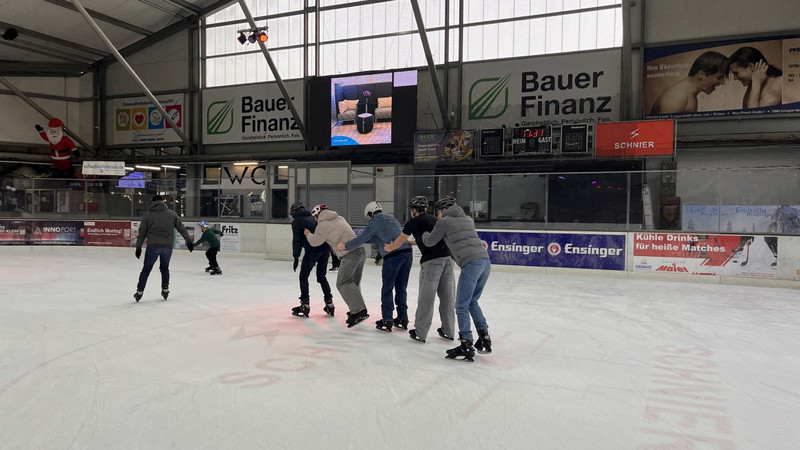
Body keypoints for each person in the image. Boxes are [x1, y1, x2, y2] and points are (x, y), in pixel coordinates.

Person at [422, 197, 492, 362]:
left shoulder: (444, 221)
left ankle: (466, 343)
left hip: (471, 264)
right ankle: (484, 338)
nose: (438, 216)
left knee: (460, 305)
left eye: (438, 213)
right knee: (472, 301)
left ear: (444, 210)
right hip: (485, 262)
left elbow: (430, 241)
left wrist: (425, 233)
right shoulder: (468, 219)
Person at [384, 196, 456, 343]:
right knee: (447, 296)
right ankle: (449, 331)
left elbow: (398, 242)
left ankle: (420, 332)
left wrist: (389, 248)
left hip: (431, 262)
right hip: (447, 260)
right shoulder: (433, 220)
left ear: (414, 210)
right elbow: (433, 237)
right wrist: (412, 242)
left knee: (426, 298)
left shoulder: (413, 222)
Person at [339, 201, 412, 332]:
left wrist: (346, 245)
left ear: (370, 213)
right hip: (407, 254)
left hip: (393, 256)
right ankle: (402, 318)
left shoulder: (375, 221)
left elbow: (363, 238)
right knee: (401, 287)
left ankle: (387, 320)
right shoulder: (391, 218)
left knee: (387, 288)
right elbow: (375, 238)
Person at [304, 204, 369, 327]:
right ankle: (356, 310)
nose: (315, 220)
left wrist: (307, 234)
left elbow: (314, 242)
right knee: (353, 284)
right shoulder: (339, 218)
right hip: (360, 252)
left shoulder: (322, 225)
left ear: (317, 215)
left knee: (342, 283)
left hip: (350, 254)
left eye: (314, 217)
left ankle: (359, 311)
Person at [134, 195, 193, 302]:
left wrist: (138, 247)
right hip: (167, 247)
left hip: (153, 246)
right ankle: (165, 289)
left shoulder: (147, 215)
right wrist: (188, 240)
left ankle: (139, 291)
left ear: (153, 202)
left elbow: (142, 232)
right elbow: (181, 228)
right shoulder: (172, 214)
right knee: (164, 268)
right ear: (163, 202)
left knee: (146, 270)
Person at [290, 201, 334, 318]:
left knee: (303, 276)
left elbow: (297, 240)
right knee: (321, 276)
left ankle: (305, 304)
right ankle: (329, 303)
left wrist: (296, 256)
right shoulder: (312, 217)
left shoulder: (297, 221)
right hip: (325, 249)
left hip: (312, 250)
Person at [649, 51, 729, 115]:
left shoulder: (688, 95)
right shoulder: (676, 97)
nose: (722, 82)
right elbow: (664, 133)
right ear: (701, 74)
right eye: (719, 77)